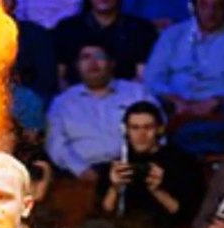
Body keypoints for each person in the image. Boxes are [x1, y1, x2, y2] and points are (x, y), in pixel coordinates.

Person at [62, 101, 203, 228]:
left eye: (147, 128)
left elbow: (186, 216)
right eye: (135, 128)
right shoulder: (118, 163)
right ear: (126, 131)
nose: (141, 134)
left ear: (159, 129)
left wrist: (158, 190)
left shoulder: (182, 163)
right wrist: (114, 187)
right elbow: (103, 212)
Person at [143, 0, 224, 155]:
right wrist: (174, 99)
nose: (211, 12)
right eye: (204, 5)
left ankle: (189, 143)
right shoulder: (172, 35)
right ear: (194, 7)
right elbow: (152, 79)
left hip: (219, 107)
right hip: (176, 105)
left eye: (218, 6)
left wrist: (216, 100)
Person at [46, 42, 155, 179]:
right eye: (86, 57)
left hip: (133, 168)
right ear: (77, 65)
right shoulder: (62, 102)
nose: (93, 63)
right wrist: (81, 170)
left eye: (99, 57)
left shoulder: (137, 93)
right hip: (81, 175)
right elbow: (55, 144)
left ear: (111, 63)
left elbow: (158, 131)